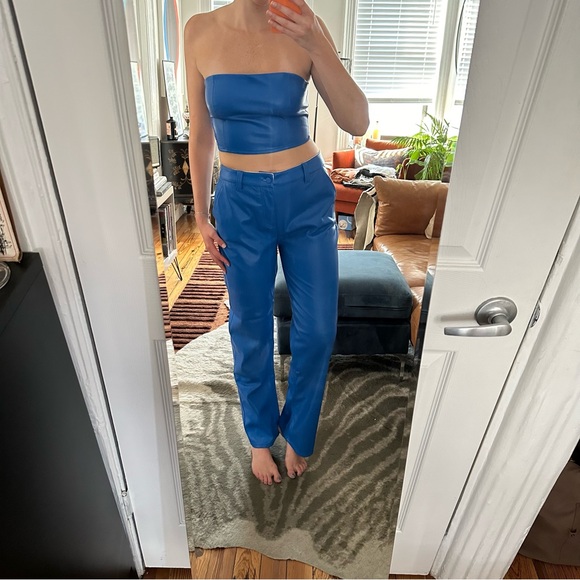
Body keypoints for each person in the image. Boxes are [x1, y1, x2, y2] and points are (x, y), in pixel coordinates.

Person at [184, 0, 369, 485]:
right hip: (239, 201)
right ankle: (261, 437)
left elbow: (357, 121)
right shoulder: (199, 30)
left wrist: (315, 43)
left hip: (305, 194)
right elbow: (201, 134)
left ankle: (300, 430)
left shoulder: (305, 24)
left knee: (318, 330)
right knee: (248, 327)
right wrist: (200, 214)